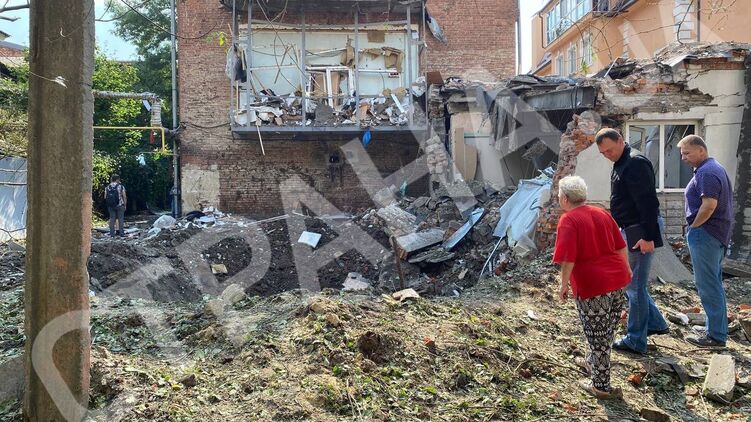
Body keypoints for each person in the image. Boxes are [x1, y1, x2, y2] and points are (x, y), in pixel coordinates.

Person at [553, 175, 632, 399]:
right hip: (617, 280)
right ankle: (592, 362)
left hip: (593, 285)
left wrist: (563, 284)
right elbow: (621, 246)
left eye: (559, 195)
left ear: (565, 198)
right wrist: (627, 268)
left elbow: (568, 258)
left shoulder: (569, 220)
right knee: (606, 330)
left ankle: (600, 386)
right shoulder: (601, 213)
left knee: (598, 336)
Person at [596, 128, 669, 355]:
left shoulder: (635, 163)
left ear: (620, 140)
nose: (607, 155)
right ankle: (655, 323)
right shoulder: (621, 163)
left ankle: (636, 340)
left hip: (640, 230)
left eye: (609, 150)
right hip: (631, 229)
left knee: (634, 285)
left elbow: (648, 203)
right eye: (603, 153)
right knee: (632, 284)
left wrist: (648, 237)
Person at [678, 135, 733, 347]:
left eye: (687, 153)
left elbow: (709, 205)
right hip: (715, 233)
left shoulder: (707, 172)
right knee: (713, 283)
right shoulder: (713, 167)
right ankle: (715, 329)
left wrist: (694, 227)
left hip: (706, 233)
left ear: (701, 150)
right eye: (682, 154)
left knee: (708, 285)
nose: (683, 158)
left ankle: (716, 336)